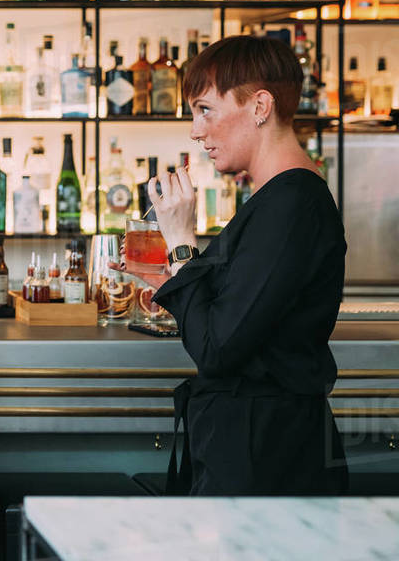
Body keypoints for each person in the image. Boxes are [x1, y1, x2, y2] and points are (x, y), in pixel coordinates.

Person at [145, 34, 348, 496]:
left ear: (260, 106)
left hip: (268, 457)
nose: (195, 131)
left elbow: (218, 348)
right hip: (252, 448)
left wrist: (180, 242)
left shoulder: (292, 204)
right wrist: (171, 278)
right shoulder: (276, 200)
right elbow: (238, 319)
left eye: (205, 110)